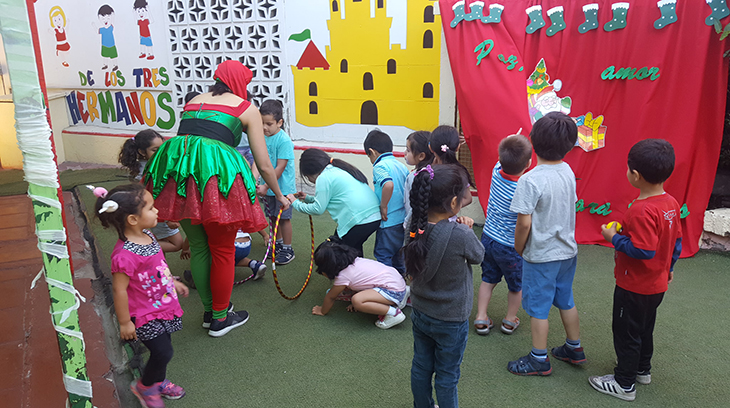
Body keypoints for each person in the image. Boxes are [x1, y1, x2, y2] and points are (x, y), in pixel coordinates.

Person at [143, 60, 290, 337]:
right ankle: (220, 319)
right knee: (222, 250)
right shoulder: (246, 107)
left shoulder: (194, 101)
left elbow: (192, 141)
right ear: (241, 83)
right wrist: (279, 196)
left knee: (200, 247)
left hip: (182, 180)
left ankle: (211, 312)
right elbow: (264, 164)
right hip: (216, 180)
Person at [589, 139, 682, 401]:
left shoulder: (641, 210)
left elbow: (644, 250)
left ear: (636, 175)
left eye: (628, 169)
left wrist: (613, 238)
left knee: (626, 332)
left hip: (634, 286)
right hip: (656, 283)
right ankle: (642, 369)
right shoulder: (671, 203)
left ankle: (624, 383)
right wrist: (669, 267)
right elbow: (676, 241)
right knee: (644, 328)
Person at [93, 183, 189, 407]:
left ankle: (158, 380)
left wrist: (172, 282)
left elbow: (157, 266)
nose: (156, 211)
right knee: (163, 352)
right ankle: (145, 387)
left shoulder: (148, 235)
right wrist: (125, 322)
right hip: (144, 314)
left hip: (163, 306)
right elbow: (119, 289)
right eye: (151, 208)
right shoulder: (124, 255)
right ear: (133, 219)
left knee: (164, 349)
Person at [507, 112, 583, 376]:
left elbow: (523, 223)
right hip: (567, 252)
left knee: (538, 308)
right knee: (566, 299)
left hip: (541, 255)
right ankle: (574, 348)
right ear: (569, 146)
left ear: (533, 142)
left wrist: (519, 247)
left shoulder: (530, 179)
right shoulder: (568, 171)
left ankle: (539, 359)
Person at [404, 164, 484, 408]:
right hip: (451, 318)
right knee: (447, 375)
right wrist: (467, 228)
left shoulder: (413, 226)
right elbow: (478, 256)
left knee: (421, 366)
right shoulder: (461, 234)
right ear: (453, 203)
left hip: (421, 310)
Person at [474, 134, 532, 336]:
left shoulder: (496, 172)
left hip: (488, 239)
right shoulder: (523, 188)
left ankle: (481, 316)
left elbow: (501, 159)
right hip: (510, 246)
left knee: (488, 279)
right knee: (516, 286)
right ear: (529, 163)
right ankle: (509, 320)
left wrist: (510, 138)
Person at [291, 148, 380, 256]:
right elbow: (329, 200)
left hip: (359, 220)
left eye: (306, 177)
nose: (309, 179)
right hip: (374, 217)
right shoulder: (337, 169)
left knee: (339, 250)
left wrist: (294, 202)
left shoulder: (323, 177)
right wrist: (308, 198)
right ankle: (358, 265)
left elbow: (317, 209)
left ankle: (344, 266)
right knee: (353, 247)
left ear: (310, 172)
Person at [311, 240, 409, 329]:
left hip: (393, 291)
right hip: (397, 282)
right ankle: (405, 293)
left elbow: (331, 297)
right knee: (348, 292)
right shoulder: (355, 260)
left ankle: (393, 313)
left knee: (357, 301)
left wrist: (322, 311)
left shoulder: (343, 276)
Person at [118, 130, 183, 254]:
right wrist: (169, 218)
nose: (160, 153)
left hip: (152, 210)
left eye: (162, 148)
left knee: (161, 239)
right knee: (177, 244)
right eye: (155, 150)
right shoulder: (148, 170)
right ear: (142, 152)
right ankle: (138, 247)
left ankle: (156, 263)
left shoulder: (142, 166)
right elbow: (158, 195)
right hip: (158, 212)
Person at [256, 100, 296, 264]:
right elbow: (259, 162)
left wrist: (266, 185)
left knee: (283, 218)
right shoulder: (262, 137)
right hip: (269, 187)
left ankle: (288, 248)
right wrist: (256, 180)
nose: (264, 127)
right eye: (262, 123)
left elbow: (280, 167)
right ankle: (278, 244)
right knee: (272, 217)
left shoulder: (283, 140)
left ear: (280, 122)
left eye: (269, 124)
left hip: (283, 188)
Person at [364, 129, 409, 275]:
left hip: (388, 221)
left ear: (372, 152)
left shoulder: (379, 166)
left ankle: (386, 283)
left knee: (383, 255)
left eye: (369, 156)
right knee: (399, 255)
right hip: (402, 219)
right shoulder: (401, 166)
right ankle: (401, 281)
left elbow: (388, 184)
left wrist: (383, 205)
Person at [403, 130, 433, 234]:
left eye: (408, 150)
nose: (405, 153)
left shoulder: (417, 176)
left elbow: (415, 204)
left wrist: (406, 222)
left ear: (421, 156)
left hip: (415, 223)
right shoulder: (432, 172)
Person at [95, 4, 118, 71]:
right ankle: (105, 65)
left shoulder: (111, 27)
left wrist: (113, 14)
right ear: (99, 18)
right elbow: (97, 31)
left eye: (108, 18)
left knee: (113, 56)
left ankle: (115, 65)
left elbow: (113, 20)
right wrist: (94, 25)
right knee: (105, 56)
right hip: (104, 45)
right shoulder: (102, 29)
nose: (105, 20)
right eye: (103, 18)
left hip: (111, 45)